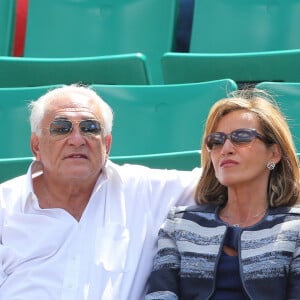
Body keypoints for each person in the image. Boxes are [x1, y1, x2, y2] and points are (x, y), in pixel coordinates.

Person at [0, 84, 200, 300]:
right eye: (61, 128)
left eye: (90, 128)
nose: (77, 139)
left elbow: (222, 179)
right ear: (36, 146)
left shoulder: (145, 191)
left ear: (107, 144)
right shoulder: (5, 204)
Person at [146, 88, 300, 299]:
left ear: (274, 154)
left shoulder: (295, 228)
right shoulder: (180, 224)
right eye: (216, 141)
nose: (226, 148)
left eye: (242, 137)